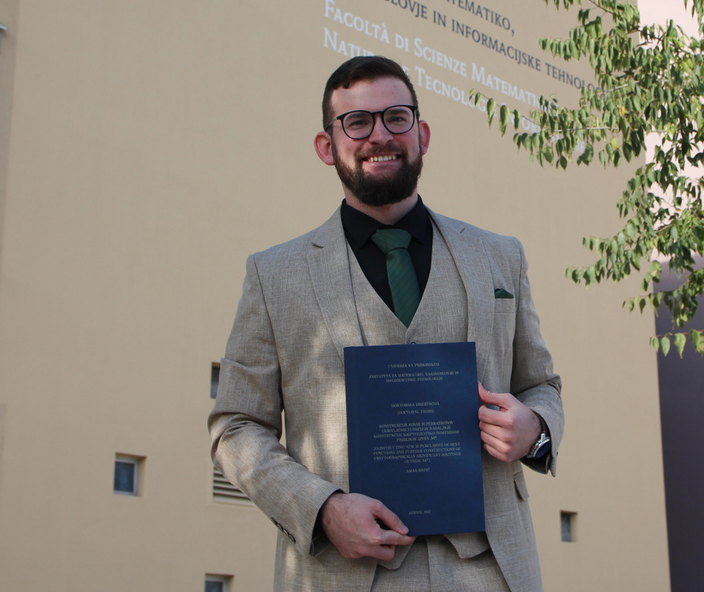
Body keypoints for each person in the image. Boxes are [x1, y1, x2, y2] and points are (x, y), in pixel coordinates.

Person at [209, 55, 563, 592]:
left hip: (493, 571)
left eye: (396, 117)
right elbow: (236, 425)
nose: (380, 135)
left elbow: (541, 385)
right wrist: (322, 509)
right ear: (326, 146)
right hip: (343, 575)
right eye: (357, 122)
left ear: (421, 134)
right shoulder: (273, 275)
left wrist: (534, 429)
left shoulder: (500, 257)